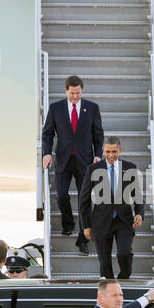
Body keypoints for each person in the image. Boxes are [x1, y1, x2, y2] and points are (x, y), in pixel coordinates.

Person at [42, 75, 104, 256]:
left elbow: (98, 134)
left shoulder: (92, 108)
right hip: (63, 159)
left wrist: (98, 155)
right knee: (61, 195)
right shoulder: (55, 108)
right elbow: (47, 134)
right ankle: (68, 224)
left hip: (85, 160)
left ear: (81, 91)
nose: (75, 97)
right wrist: (47, 153)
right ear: (66, 91)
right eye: (72, 93)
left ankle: (83, 238)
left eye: (78, 93)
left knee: (84, 200)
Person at [79, 136, 144, 280]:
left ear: (120, 150)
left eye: (114, 151)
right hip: (101, 221)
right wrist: (86, 225)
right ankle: (109, 290)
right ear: (103, 150)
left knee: (124, 254)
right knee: (105, 263)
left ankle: (123, 280)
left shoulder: (130, 168)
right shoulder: (93, 169)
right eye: (107, 151)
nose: (111, 155)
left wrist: (139, 213)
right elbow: (84, 200)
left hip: (124, 221)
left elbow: (138, 195)